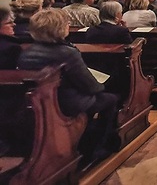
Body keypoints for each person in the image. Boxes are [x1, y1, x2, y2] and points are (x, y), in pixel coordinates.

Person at [17, 9, 119, 161]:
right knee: (110, 99)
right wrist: (100, 86)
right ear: (59, 28)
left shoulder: (26, 52)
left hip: (39, 101)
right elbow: (90, 86)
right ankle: (94, 148)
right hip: (66, 102)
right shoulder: (67, 52)